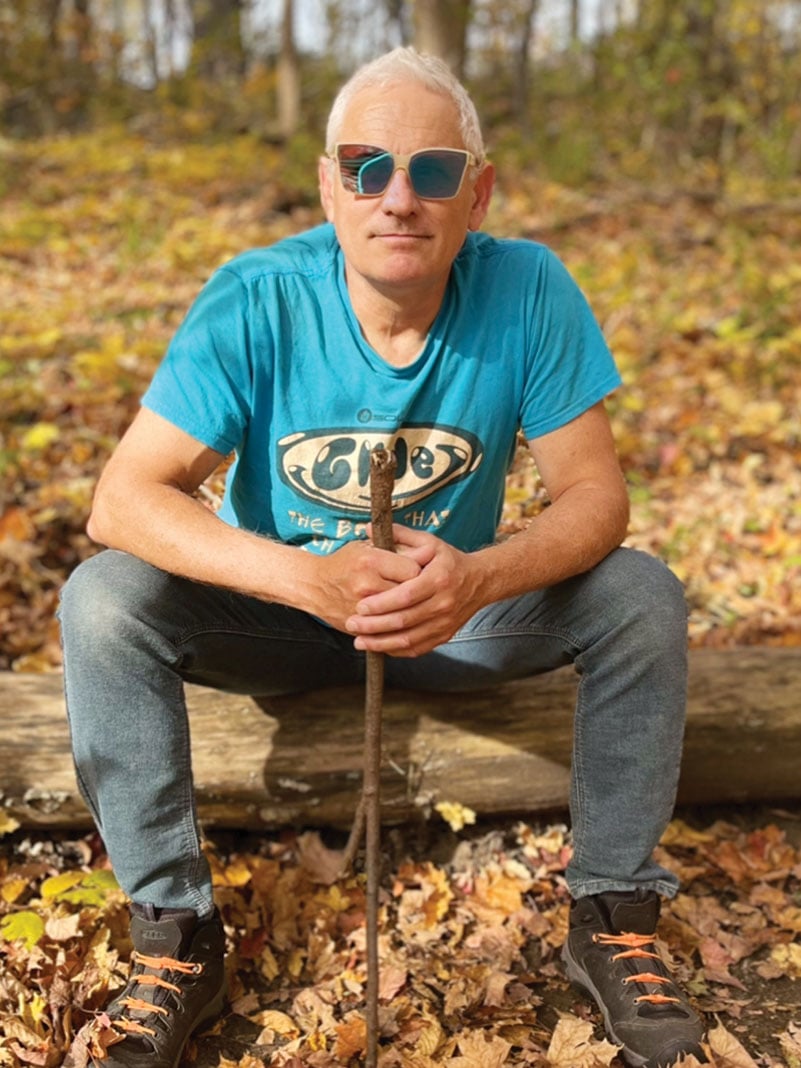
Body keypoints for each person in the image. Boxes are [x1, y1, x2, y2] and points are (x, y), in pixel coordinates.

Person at [58, 46, 706, 1068]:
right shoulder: (255, 297)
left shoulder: (528, 288)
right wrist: (303, 578)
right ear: (330, 183)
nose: (398, 197)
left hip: (454, 613)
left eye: (433, 171)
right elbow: (123, 499)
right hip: (280, 617)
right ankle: (175, 936)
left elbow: (597, 499)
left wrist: (478, 576)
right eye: (367, 166)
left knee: (639, 595)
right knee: (103, 601)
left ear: (477, 193)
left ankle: (612, 917)